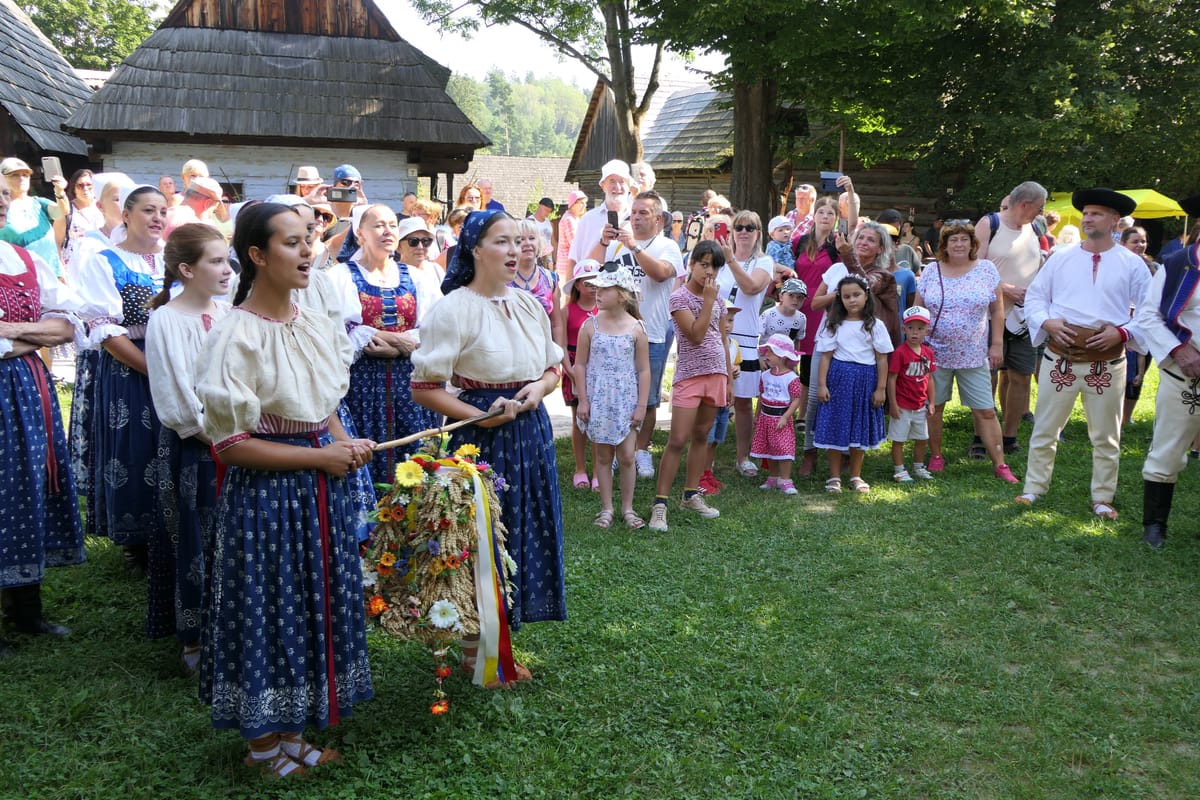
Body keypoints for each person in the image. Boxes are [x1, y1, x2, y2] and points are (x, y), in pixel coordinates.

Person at [194, 202, 374, 777]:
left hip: (319, 489)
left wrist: (343, 445)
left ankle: (294, 732)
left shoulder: (314, 322)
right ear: (257, 255)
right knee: (270, 608)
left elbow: (326, 407)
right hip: (268, 499)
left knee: (309, 603)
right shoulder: (235, 335)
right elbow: (229, 445)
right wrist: (318, 457)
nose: (307, 252)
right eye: (292, 243)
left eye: (309, 241)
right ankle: (262, 747)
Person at [411, 210, 565, 657]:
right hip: (480, 433)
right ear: (475, 249)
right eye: (502, 241)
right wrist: (478, 418)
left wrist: (539, 388)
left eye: (518, 241)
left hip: (529, 429)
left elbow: (552, 367)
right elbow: (424, 389)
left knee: (521, 526)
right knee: (479, 533)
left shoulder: (527, 303)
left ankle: (505, 633)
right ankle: (475, 644)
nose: (515, 250)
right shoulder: (454, 308)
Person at [1015, 188, 1150, 520]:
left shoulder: (1132, 264)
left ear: (1115, 221)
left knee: (1106, 435)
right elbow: (1035, 299)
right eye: (1086, 213)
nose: (1088, 218)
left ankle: (1103, 497)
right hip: (1060, 356)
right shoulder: (1060, 257)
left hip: (1106, 363)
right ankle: (1033, 488)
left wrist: (1122, 332)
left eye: (1097, 213)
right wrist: (1048, 321)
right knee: (1045, 428)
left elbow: (1149, 311)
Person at [0, 184, 83, 659]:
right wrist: (36, 335)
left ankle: (24, 607)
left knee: (27, 485)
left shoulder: (24, 259)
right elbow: (47, 329)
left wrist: (12, 332)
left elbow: (68, 324)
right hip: (20, 381)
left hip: (28, 389)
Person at [144, 223, 231, 674]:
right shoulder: (166, 319)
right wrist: (224, 439)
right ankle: (194, 641)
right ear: (186, 269)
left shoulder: (229, 312)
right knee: (196, 540)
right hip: (197, 448)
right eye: (215, 261)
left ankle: (231, 628)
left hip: (238, 442)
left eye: (226, 259)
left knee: (231, 538)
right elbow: (178, 400)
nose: (226, 269)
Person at [74, 184, 168, 576]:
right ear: (126, 215)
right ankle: (135, 543)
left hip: (175, 361)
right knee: (134, 449)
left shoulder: (173, 260)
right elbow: (107, 331)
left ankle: (169, 531)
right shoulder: (104, 260)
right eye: (148, 210)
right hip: (130, 367)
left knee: (171, 443)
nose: (158, 218)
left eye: (163, 211)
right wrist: (155, 370)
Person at [331, 205, 437, 476]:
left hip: (408, 383)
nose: (388, 230)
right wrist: (374, 336)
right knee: (368, 450)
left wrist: (404, 344)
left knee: (413, 457)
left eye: (392, 224)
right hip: (361, 386)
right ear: (359, 233)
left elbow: (434, 327)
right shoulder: (339, 278)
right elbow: (336, 330)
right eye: (379, 225)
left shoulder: (416, 277)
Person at [913, 220, 1018, 483]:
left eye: (964, 239)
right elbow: (918, 311)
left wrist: (996, 344)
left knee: (985, 410)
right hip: (935, 353)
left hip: (973, 354)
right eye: (953, 240)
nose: (959, 244)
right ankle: (936, 455)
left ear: (973, 244)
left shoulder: (986, 270)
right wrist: (916, 346)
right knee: (934, 407)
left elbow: (997, 310)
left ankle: (1000, 463)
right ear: (944, 245)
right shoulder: (931, 271)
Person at [590, 190, 684, 479]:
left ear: (658, 219)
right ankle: (620, 448)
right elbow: (590, 270)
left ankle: (641, 450)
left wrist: (634, 247)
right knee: (616, 389)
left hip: (652, 332)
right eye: (634, 212)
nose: (636, 217)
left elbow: (660, 273)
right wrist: (604, 242)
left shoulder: (667, 246)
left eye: (643, 212)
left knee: (649, 396)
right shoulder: (618, 245)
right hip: (614, 331)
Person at [648, 241, 731, 531]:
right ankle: (660, 504)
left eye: (715, 266)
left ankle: (691, 494)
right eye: (704, 264)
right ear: (692, 264)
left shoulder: (719, 301)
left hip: (716, 374)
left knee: (702, 436)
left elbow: (722, 340)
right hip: (689, 376)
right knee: (677, 439)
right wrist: (708, 300)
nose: (709, 271)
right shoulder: (679, 298)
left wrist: (728, 380)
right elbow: (695, 335)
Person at [1136, 200, 1200, 548]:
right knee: (1169, 450)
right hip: (1184, 374)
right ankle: (1155, 526)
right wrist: (1180, 350)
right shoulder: (1177, 264)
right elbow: (1148, 316)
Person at [974, 181, 1049, 454]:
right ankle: (981, 436)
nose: (1041, 212)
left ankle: (1009, 436)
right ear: (1024, 204)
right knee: (988, 376)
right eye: (1039, 207)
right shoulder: (990, 223)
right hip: (991, 313)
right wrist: (1006, 289)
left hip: (1024, 317)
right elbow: (975, 266)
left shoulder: (1036, 227)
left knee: (1022, 376)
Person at [575, 265, 649, 529]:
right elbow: (580, 365)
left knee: (628, 455)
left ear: (621, 295)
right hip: (599, 400)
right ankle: (606, 508)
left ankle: (628, 508)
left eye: (604, 288)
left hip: (626, 401)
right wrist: (583, 400)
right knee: (603, 457)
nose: (597, 292)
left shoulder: (637, 328)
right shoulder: (589, 326)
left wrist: (641, 405)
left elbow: (643, 370)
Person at [813, 275, 893, 493]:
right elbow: (826, 357)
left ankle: (856, 475)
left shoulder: (875, 325)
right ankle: (834, 476)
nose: (852, 300)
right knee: (835, 425)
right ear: (840, 299)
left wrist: (881, 388)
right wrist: (822, 385)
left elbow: (882, 358)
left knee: (859, 426)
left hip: (866, 381)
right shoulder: (834, 324)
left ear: (866, 295)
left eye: (856, 295)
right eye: (847, 296)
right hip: (838, 379)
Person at [715, 210, 776, 477]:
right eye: (738, 226)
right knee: (712, 399)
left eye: (749, 227)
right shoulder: (718, 260)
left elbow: (751, 287)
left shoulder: (765, 261)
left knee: (741, 402)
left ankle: (743, 456)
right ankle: (707, 458)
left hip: (746, 338)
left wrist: (730, 260)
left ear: (758, 233)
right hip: (715, 335)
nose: (743, 231)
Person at [560, 259, 600, 490]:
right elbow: (562, 344)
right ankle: (580, 469)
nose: (593, 286)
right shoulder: (568, 312)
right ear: (577, 285)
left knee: (596, 421)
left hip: (598, 366)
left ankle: (598, 470)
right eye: (587, 281)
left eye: (596, 280)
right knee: (579, 420)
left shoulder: (604, 309)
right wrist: (570, 370)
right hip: (575, 365)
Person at [887, 306, 937, 483]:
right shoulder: (900, 353)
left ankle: (918, 466)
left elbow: (929, 378)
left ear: (927, 331)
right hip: (902, 405)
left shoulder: (928, 352)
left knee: (922, 438)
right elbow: (892, 378)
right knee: (899, 439)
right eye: (910, 328)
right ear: (904, 329)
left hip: (920, 404)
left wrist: (931, 402)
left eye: (920, 328)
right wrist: (892, 403)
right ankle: (899, 470)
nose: (915, 332)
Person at [750, 334, 804, 495]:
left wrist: (786, 416)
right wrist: (757, 414)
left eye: (770, 352)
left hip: (780, 418)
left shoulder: (791, 378)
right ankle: (773, 477)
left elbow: (796, 400)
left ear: (782, 356)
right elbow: (762, 395)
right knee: (769, 449)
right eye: (766, 351)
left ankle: (786, 479)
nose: (766, 355)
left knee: (783, 448)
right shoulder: (765, 375)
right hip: (765, 417)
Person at [699, 301, 742, 495]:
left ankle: (708, 472)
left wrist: (735, 371)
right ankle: (699, 476)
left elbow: (736, 364)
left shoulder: (733, 344)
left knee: (716, 439)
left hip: (725, 399)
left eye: (731, 320)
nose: (727, 324)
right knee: (705, 438)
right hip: (710, 397)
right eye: (724, 319)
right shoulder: (708, 342)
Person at [0, 158, 67, 277]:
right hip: (19, 277)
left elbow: (61, 212)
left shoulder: (39, 203)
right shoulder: (3, 208)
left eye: (25, 175)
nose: (22, 178)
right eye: (15, 175)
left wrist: (60, 191)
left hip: (51, 274)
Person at [1120, 225, 1157, 426]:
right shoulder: (1117, 264)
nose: (1140, 245)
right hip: (1121, 325)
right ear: (1123, 243)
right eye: (1135, 241)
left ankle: (1126, 418)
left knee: (1138, 374)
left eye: (1143, 241)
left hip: (1145, 325)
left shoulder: (1153, 267)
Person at [568, 159, 632, 272]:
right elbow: (573, 260)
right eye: (612, 181)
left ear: (629, 186)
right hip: (593, 286)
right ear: (603, 185)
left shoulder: (638, 219)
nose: (617, 187)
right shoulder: (588, 219)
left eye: (622, 181)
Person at [59, 169, 102, 271]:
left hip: (100, 265)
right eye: (80, 185)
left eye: (89, 185)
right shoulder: (66, 209)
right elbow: (57, 241)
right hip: (73, 267)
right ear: (74, 188)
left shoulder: (104, 208)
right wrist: (61, 268)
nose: (85, 188)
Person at [759, 278, 807, 348]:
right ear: (781, 297)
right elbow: (758, 336)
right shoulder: (768, 314)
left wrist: (796, 357)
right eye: (791, 295)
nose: (795, 300)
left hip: (786, 357)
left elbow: (797, 340)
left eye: (800, 297)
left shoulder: (801, 318)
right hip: (766, 356)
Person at [555, 189, 587, 284]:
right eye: (581, 203)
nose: (584, 206)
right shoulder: (569, 219)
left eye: (585, 203)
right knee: (569, 296)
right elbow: (575, 244)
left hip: (571, 265)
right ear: (573, 204)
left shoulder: (574, 218)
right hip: (568, 266)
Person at [528, 197, 555, 265]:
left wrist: (555, 261)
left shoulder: (550, 223)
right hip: (535, 259)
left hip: (548, 260)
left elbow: (553, 242)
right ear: (539, 206)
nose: (547, 213)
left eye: (549, 212)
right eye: (545, 210)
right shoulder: (529, 221)